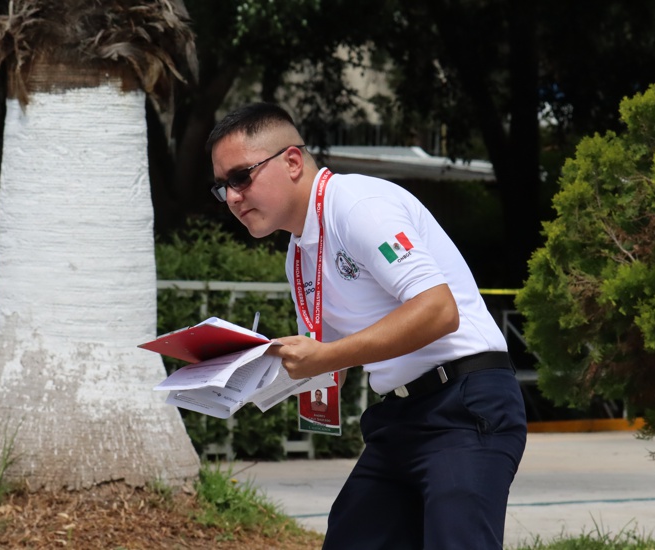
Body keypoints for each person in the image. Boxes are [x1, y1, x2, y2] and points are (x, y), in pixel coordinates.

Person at [207, 102, 527, 549]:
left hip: (464, 404)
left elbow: (438, 309)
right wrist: (230, 376)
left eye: (241, 177)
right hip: (398, 418)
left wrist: (324, 355)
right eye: (223, 187)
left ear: (293, 162)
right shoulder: (298, 253)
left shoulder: (358, 205)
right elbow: (322, 361)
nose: (234, 197)